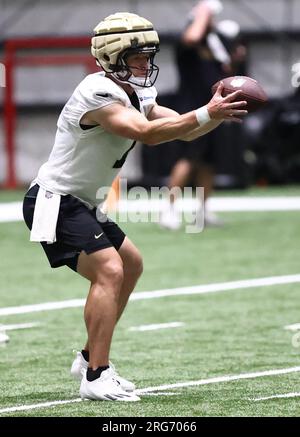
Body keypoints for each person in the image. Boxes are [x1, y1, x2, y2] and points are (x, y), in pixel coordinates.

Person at [22, 12, 247, 402]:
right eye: (137, 56)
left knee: (131, 265)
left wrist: (215, 111)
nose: (146, 63)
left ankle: (90, 356)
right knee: (109, 270)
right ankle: (96, 375)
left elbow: (180, 125)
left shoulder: (137, 91)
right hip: (55, 199)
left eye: (148, 55)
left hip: (80, 202)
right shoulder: (96, 92)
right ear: (112, 57)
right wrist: (207, 114)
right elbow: (146, 133)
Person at [159, 0, 246, 230]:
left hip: (215, 109)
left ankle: (203, 210)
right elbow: (192, 37)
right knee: (188, 158)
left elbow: (229, 65)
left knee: (210, 161)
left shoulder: (216, 42)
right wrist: (204, 11)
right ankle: (168, 208)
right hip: (192, 107)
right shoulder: (188, 39)